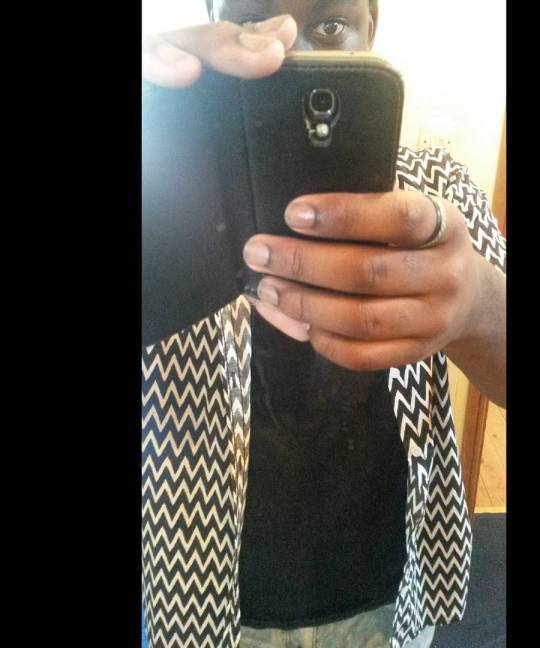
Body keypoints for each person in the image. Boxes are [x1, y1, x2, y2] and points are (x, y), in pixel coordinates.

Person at [141, 2, 506, 647]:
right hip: (204, 594)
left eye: (331, 26)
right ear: (214, 20)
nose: (291, 52)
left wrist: (478, 304)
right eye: (251, 22)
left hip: (386, 587)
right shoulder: (163, 186)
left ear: (372, 31)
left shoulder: (436, 189)